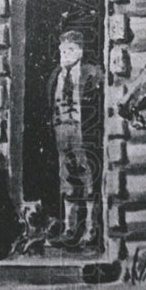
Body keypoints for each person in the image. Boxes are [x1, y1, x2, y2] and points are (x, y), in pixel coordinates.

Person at [46, 30, 104, 247]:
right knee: (67, 180)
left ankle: (91, 229)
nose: (65, 54)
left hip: (84, 131)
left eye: (70, 50)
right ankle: (70, 229)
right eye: (62, 50)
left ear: (80, 51)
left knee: (89, 178)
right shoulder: (56, 77)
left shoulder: (92, 73)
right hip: (62, 130)